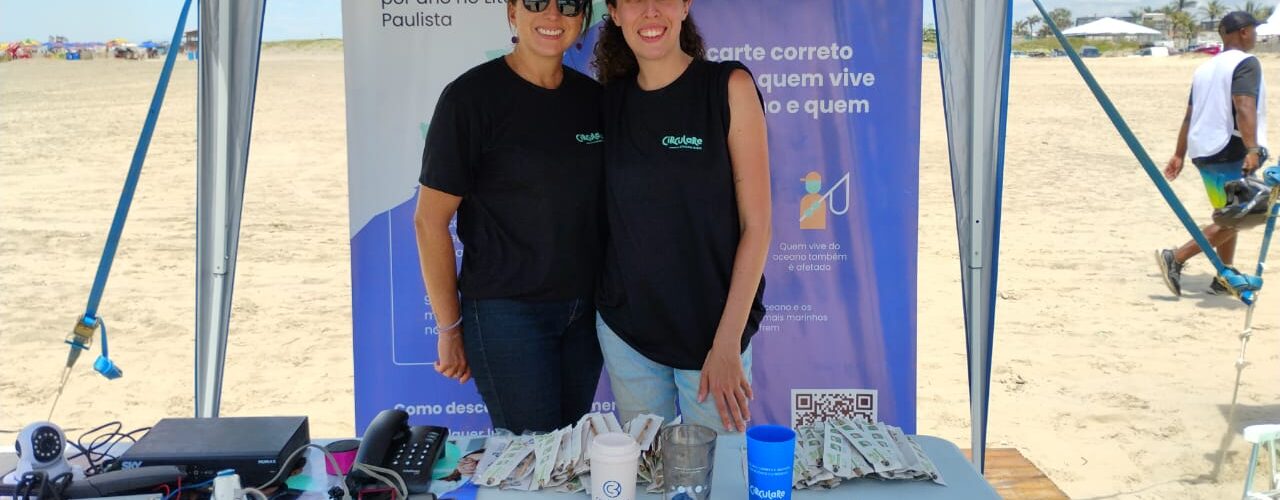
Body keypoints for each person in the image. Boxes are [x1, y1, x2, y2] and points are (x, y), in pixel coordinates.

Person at [413, 0, 604, 434]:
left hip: (586, 316)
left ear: (582, 18)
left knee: (568, 450)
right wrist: (449, 328)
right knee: (532, 455)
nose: (552, 15)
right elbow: (429, 221)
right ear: (512, 12)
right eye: (536, 2)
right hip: (508, 315)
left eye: (568, 5)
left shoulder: (593, 99)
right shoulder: (470, 99)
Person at [592, 0, 772, 433]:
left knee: (719, 468)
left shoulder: (728, 86)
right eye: (634, 0)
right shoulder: (607, 103)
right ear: (615, 13)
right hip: (629, 335)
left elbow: (757, 226)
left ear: (685, 5)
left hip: (713, 335)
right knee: (645, 466)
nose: (650, 11)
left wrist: (727, 343)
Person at [1157, 11, 1268, 296]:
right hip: (1230, 148)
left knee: (1228, 213)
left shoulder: (1204, 69)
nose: (1255, 36)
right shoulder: (1245, 62)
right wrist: (1253, 148)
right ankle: (1176, 256)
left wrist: (1179, 153)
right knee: (1245, 213)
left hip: (1203, 150)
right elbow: (1243, 105)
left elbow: (1189, 115)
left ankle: (1223, 274)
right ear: (1243, 32)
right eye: (1254, 30)